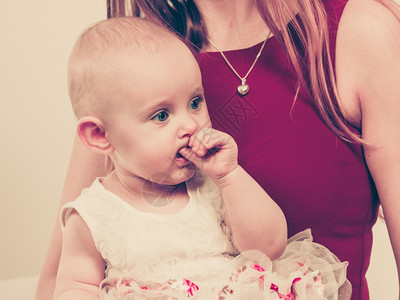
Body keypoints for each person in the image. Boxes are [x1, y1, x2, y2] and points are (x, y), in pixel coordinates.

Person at [35, 0, 400, 299]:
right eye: (161, 115)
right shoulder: (132, 65)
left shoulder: (358, 30)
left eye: (196, 103)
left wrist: (229, 176)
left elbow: (268, 242)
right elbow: (62, 284)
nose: (189, 123)